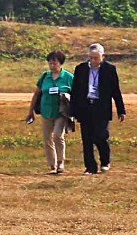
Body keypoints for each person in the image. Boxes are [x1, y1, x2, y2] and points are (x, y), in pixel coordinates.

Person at [68, 43, 125, 174]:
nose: (93, 60)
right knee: (86, 139)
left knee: (100, 135)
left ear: (103, 57)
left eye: (96, 58)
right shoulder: (80, 69)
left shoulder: (110, 69)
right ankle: (90, 167)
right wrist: (72, 111)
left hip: (101, 108)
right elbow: (75, 91)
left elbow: (115, 91)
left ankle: (105, 161)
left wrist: (121, 109)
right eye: (91, 57)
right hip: (85, 107)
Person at [25, 51, 74, 175]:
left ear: (60, 63)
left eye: (54, 62)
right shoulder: (44, 76)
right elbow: (37, 94)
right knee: (47, 138)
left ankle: (61, 163)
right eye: (50, 62)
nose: (52, 65)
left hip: (61, 112)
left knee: (58, 135)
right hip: (46, 111)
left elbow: (76, 95)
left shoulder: (68, 77)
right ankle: (52, 165)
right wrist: (30, 111)